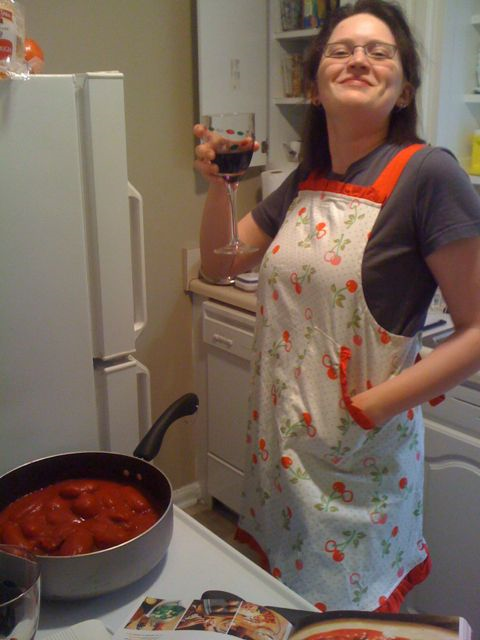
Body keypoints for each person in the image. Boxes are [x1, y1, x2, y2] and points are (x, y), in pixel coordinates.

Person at [193, 0, 480, 613]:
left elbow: (478, 330)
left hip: (359, 466)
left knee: (349, 621)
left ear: (403, 90)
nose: (359, 59)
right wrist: (222, 186)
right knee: (282, 608)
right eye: (341, 49)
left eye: (380, 52)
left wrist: (371, 409)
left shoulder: (430, 175)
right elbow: (219, 262)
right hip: (279, 450)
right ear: (316, 88)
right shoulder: (308, 179)